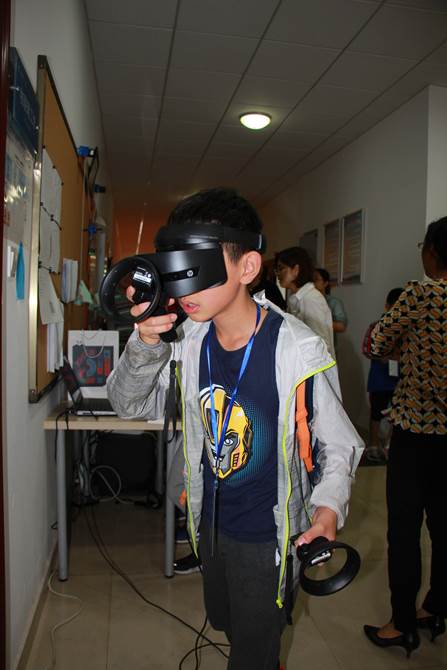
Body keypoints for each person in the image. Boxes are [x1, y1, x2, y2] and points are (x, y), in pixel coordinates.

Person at [107, 188, 364, 670]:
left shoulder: (296, 349)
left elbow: (340, 444)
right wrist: (145, 342)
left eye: (195, 269)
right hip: (209, 522)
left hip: (268, 535)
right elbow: (127, 402)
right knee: (227, 620)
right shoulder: (188, 341)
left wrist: (328, 508)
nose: (183, 289)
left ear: (247, 267)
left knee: (252, 650)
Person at [364, 217, 447, 657]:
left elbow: (377, 343)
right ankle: (436, 607)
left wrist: (405, 346)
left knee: (404, 528)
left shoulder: (421, 293)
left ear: (432, 251)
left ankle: (402, 623)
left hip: (417, 431)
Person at [362, 287, 403, 463]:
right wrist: (382, 356)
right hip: (379, 379)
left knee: (397, 414)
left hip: (399, 380)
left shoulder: (406, 327)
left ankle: (389, 445)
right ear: (387, 306)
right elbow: (366, 348)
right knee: (376, 414)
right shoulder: (376, 327)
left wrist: (399, 356)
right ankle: (373, 445)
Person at [275, 247, 336, 358]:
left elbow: (321, 344)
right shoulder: (296, 298)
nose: (278, 274)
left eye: (281, 268)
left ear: (296, 270)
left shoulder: (311, 298)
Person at [313, 267, 348, 334]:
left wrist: (317, 322)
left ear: (325, 283)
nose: (313, 283)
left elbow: (341, 326)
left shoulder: (334, 302)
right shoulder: (306, 300)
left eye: (316, 279)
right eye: (311, 280)